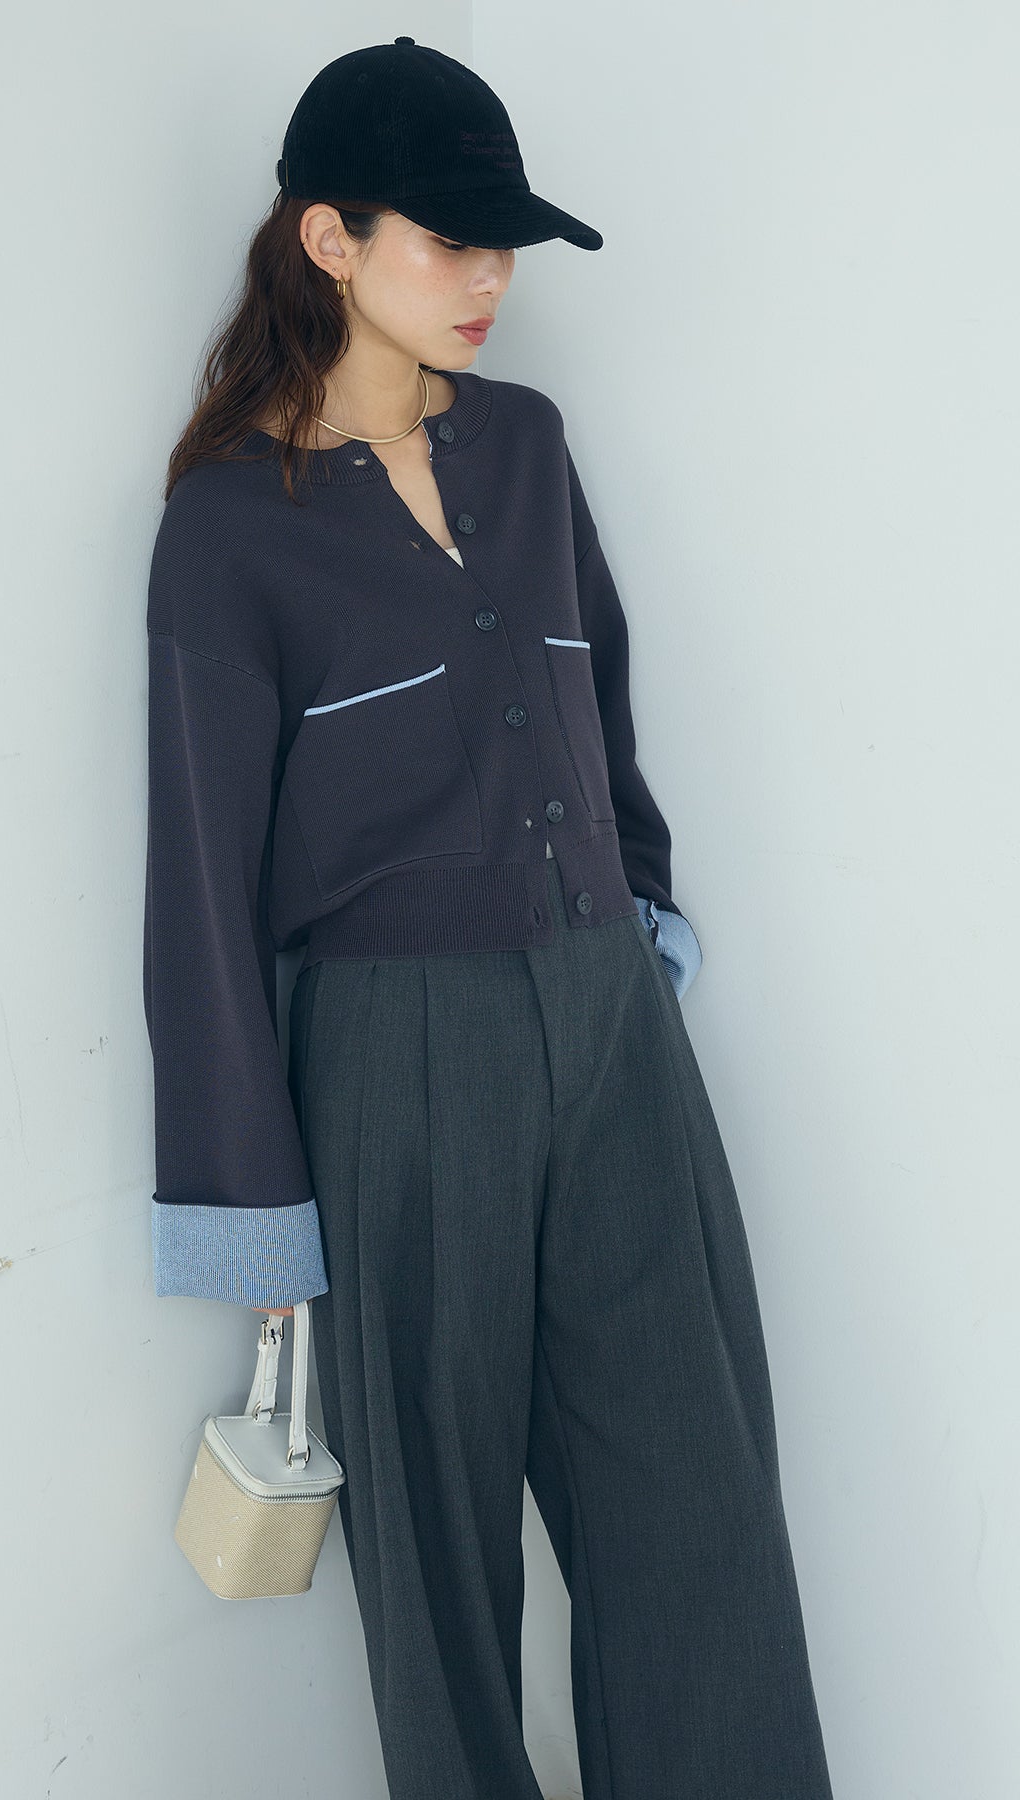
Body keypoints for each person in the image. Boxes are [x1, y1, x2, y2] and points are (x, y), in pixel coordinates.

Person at [142, 35, 835, 1800]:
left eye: (502, 243)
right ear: (329, 240)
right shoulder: (228, 529)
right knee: (438, 1581)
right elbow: (200, 880)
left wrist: (638, 910)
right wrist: (253, 1201)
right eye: (449, 239)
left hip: (610, 1025)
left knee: (700, 1518)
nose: (489, 279)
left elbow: (602, 700)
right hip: (398, 1054)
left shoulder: (525, 445)